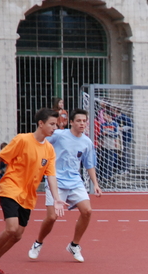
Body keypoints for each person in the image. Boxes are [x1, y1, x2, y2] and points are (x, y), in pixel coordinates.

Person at [0, 108, 66, 274]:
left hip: (28, 196)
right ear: (41, 123)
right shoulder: (22, 139)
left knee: (17, 235)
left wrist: (57, 199)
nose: (55, 128)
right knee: (12, 228)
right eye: (52, 124)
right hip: (10, 187)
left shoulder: (49, 150)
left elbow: (51, 176)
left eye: (56, 125)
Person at [28, 108, 102, 263]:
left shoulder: (87, 142)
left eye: (84, 121)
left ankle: (74, 245)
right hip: (55, 180)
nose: (82, 124)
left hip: (75, 181)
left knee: (87, 211)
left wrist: (95, 184)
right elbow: (42, 141)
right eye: (79, 121)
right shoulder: (59, 135)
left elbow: (89, 165)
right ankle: (38, 242)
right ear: (71, 122)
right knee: (52, 217)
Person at [97, 110, 120, 183]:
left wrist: (107, 133)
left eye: (104, 115)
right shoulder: (103, 124)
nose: (103, 117)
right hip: (104, 144)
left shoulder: (115, 124)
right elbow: (100, 133)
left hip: (111, 144)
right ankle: (104, 176)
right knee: (105, 160)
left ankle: (109, 176)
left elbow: (116, 134)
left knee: (110, 160)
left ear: (109, 116)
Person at [114, 108, 134, 173]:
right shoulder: (115, 118)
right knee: (120, 153)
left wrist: (122, 128)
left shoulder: (125, 117)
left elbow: (130, 125)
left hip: (126, 138)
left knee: (126, 153)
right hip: (119, 138)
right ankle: (121, 168)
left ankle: (126, 168)